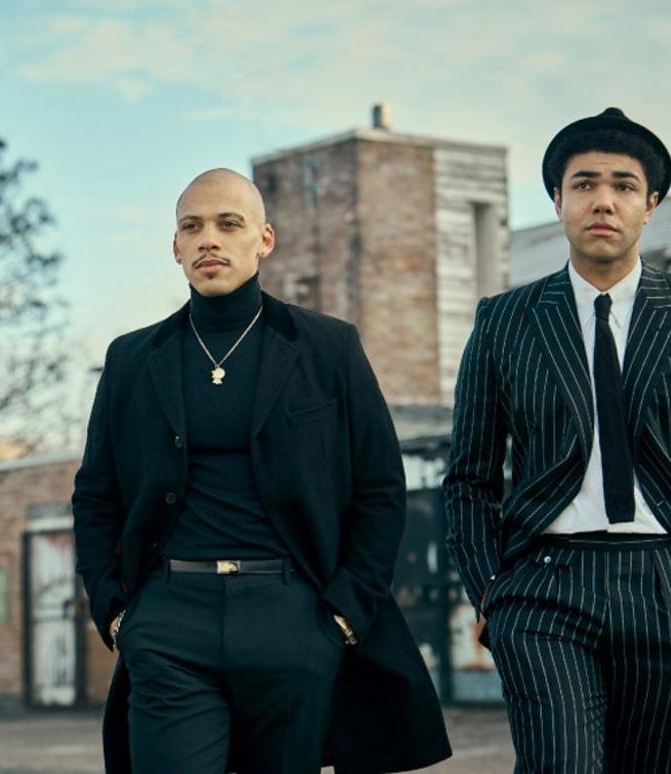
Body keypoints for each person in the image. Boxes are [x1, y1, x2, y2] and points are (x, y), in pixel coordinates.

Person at [73, 168, 451, 773]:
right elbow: (96, 495)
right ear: (175, 247)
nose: (208, 240)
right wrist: (117, 612)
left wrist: (343, 615)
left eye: (229, 224)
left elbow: (380, 488)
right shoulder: (132, 358)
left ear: (264, 240)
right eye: (191, 227)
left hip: (293, 618)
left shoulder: (329, 348)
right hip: (169, 620)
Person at [444, 108, 671, 772]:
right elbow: (469, 478)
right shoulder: (504, 321)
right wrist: (489, 589)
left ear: (650, 205)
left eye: (624, 185)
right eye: (584, 184)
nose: (604, 200)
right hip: (544, 585)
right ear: (558, 201)